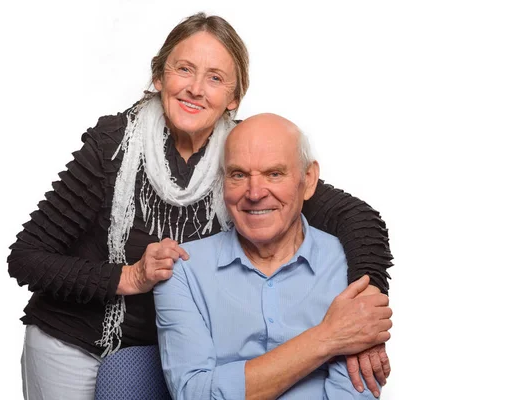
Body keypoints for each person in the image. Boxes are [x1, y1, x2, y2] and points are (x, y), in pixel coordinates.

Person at [7, 12, 393, 400]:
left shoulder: (244, 157)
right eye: (184, 69)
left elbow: (356, 218)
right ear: (159, 77)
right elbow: (25, 257)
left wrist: (364, 316)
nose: (195, 88)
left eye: (215, 78)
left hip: (177, 351)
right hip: (74, 339)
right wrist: (130, 277)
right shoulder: (113, 145)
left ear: (233, 98)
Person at [154, 113, 392, 399]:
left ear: (309, 178)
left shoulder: (350, 265)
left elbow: (353, 392)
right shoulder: (181, 270)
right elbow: (195, 394)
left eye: (274, 174)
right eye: (239, 175)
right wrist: (328, 337)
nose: (255, 193)